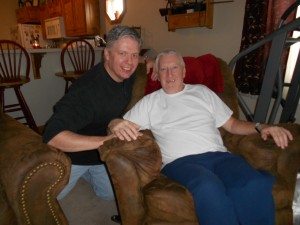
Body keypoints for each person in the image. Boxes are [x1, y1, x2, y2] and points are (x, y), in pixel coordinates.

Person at [108, 49, 294, 225]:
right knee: (208, 188)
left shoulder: (203, 92)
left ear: (184, 71)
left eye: (174, 68)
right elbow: (121, 126)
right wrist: (114, 123)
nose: (169, 74)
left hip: (220, 156)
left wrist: (261, 127)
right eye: (163, 69)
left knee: (253, 183)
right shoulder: (150, 102)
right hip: (181, 162)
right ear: (157, 73)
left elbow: (232, 125)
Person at [42, 25, 143, 201]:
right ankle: (80, 173)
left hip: (100, 155)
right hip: (73, 155)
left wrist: (153, 65)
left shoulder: (128, 74)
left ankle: (90, 174)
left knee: (109, 195)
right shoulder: (88, 90)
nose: (130, 62)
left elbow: (141, 64)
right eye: (123, 54)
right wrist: (107, 141)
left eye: (134, 55)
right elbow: (52, 136)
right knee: (47, 199)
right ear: (107, 54)